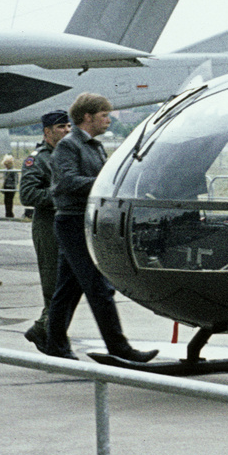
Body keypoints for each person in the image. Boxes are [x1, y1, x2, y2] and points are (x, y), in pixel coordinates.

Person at [46, 94, 157, 363]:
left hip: (86, 220)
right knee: (98, 286)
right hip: (72, 221)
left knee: (67, 289)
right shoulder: (68, 146)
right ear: (88, 117)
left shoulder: (94, 146)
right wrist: (107, 181)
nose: (108, 120)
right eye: (104, 115)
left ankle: (54, 343)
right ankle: (118, 347)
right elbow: (66, 182)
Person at [19, 110, 69, 352]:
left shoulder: (69, 154)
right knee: (54, 285)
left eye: (69, 126)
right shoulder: (37, 159)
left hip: (70, 225)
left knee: (68, 285)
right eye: (61, 127)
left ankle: (44, 331)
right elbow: (27, 195)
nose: (67, 130)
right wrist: (60, 195)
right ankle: (49, 337)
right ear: (47, 132)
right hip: (48, 228)